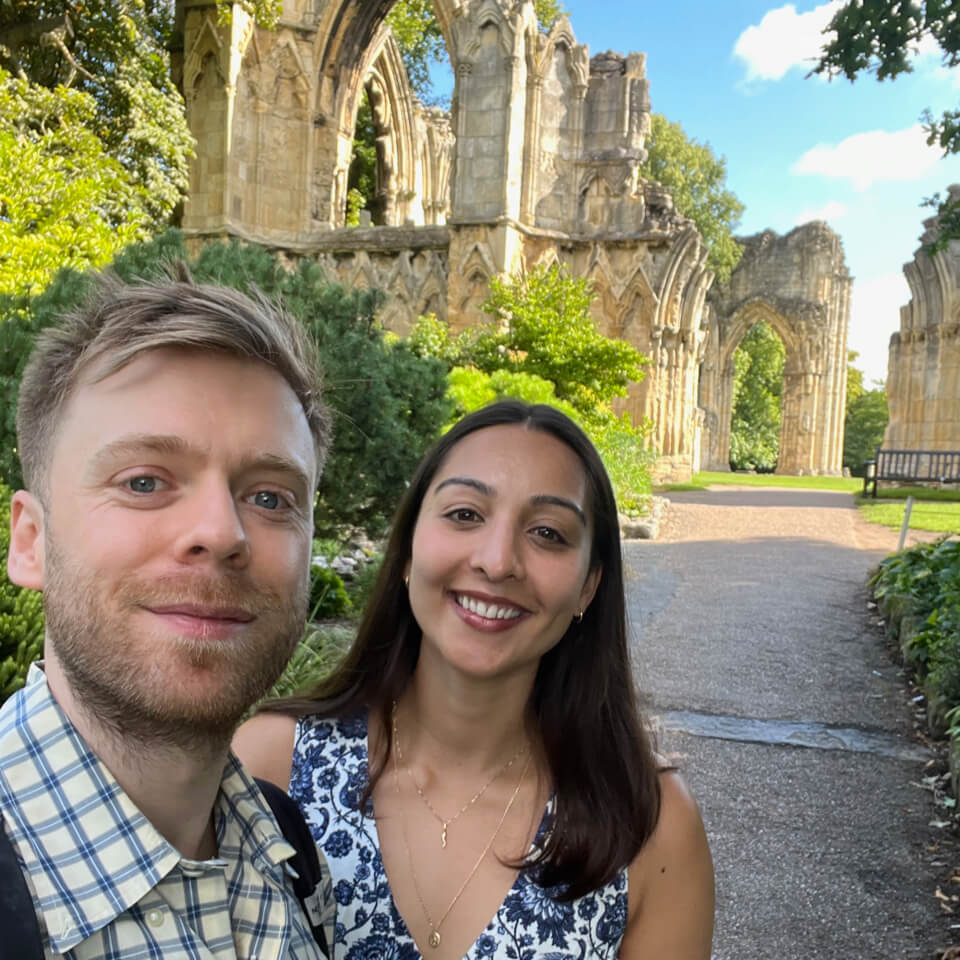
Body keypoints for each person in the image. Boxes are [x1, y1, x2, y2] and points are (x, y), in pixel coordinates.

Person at [234, 400, 715, 960]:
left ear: (588, 586)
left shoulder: (648, 823)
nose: (497, 560)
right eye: (465, 514)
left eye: (548, 533)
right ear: (410, 548)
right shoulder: (273, 767)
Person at [2, 268, 335, 959]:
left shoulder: (293, 860)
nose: (221, 532)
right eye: (144, 481)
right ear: (31, 541)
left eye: (270, 497)